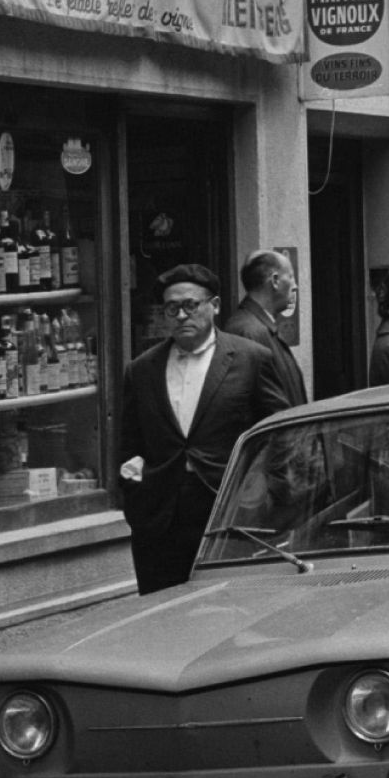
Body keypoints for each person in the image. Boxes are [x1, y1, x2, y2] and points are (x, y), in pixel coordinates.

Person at [118, 264, 294, 594]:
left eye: (191, 305)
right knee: (162, 610)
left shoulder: (251, 359)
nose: (181, 315)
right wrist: (136, 497)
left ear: (214, 306)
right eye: (172, 308)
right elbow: (130, 443)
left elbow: (279, 433)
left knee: (231, 605)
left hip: (229, 510)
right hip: (161, 518)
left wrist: (266, 495)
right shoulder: (141, 370)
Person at [221, 249, 307, 407]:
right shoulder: (248, 332)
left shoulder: (257, 328)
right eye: (291, 277)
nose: (295, 286)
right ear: (275, 281)